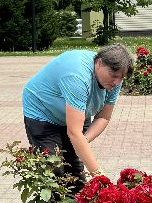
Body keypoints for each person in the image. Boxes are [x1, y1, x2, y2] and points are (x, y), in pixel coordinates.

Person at [21, 43, 132, 187]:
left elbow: (103, 117)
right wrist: (100, 177)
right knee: (54, 172)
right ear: (99, 63)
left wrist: (81, 142)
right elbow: (74, 133)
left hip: (78, 111)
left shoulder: (115, 80)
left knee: (75, 170)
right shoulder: (77, 76)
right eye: (114, 76)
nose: (117, 82)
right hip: (42, 112)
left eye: (121, 77)